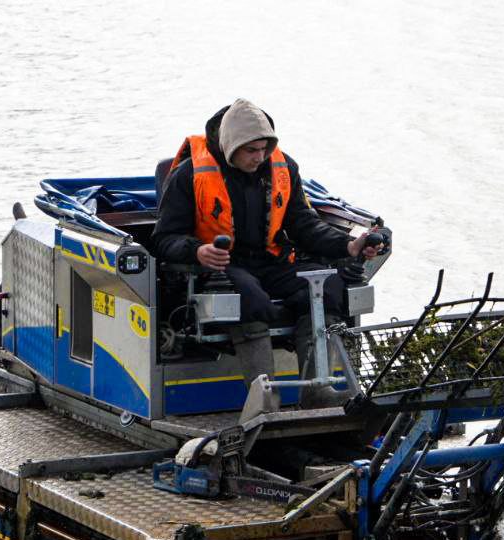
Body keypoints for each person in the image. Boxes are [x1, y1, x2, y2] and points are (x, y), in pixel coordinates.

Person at [152, 99, 382, 408]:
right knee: (251, 297)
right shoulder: (188, 174)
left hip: (273, 262)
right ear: (232, 145)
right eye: (251, 151)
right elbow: (164, 239)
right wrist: (198, 252)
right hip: (223, 266)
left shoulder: (284, 167)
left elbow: (304, 225)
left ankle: (316, 392)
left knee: (329, 290)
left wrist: (348, 246)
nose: (260, 157)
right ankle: (265, 398)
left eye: (264, 149)